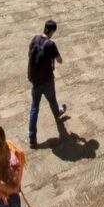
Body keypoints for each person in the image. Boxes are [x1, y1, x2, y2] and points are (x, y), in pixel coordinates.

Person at [28, 20, 66, 149]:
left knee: (34, 109)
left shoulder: (35, 39)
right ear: (52, 31)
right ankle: (57, 112)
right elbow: (60, 61)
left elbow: (29, 53)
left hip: (35, 81)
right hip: (47, 80)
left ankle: (32, 138)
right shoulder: (51, 45)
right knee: (52, 99)